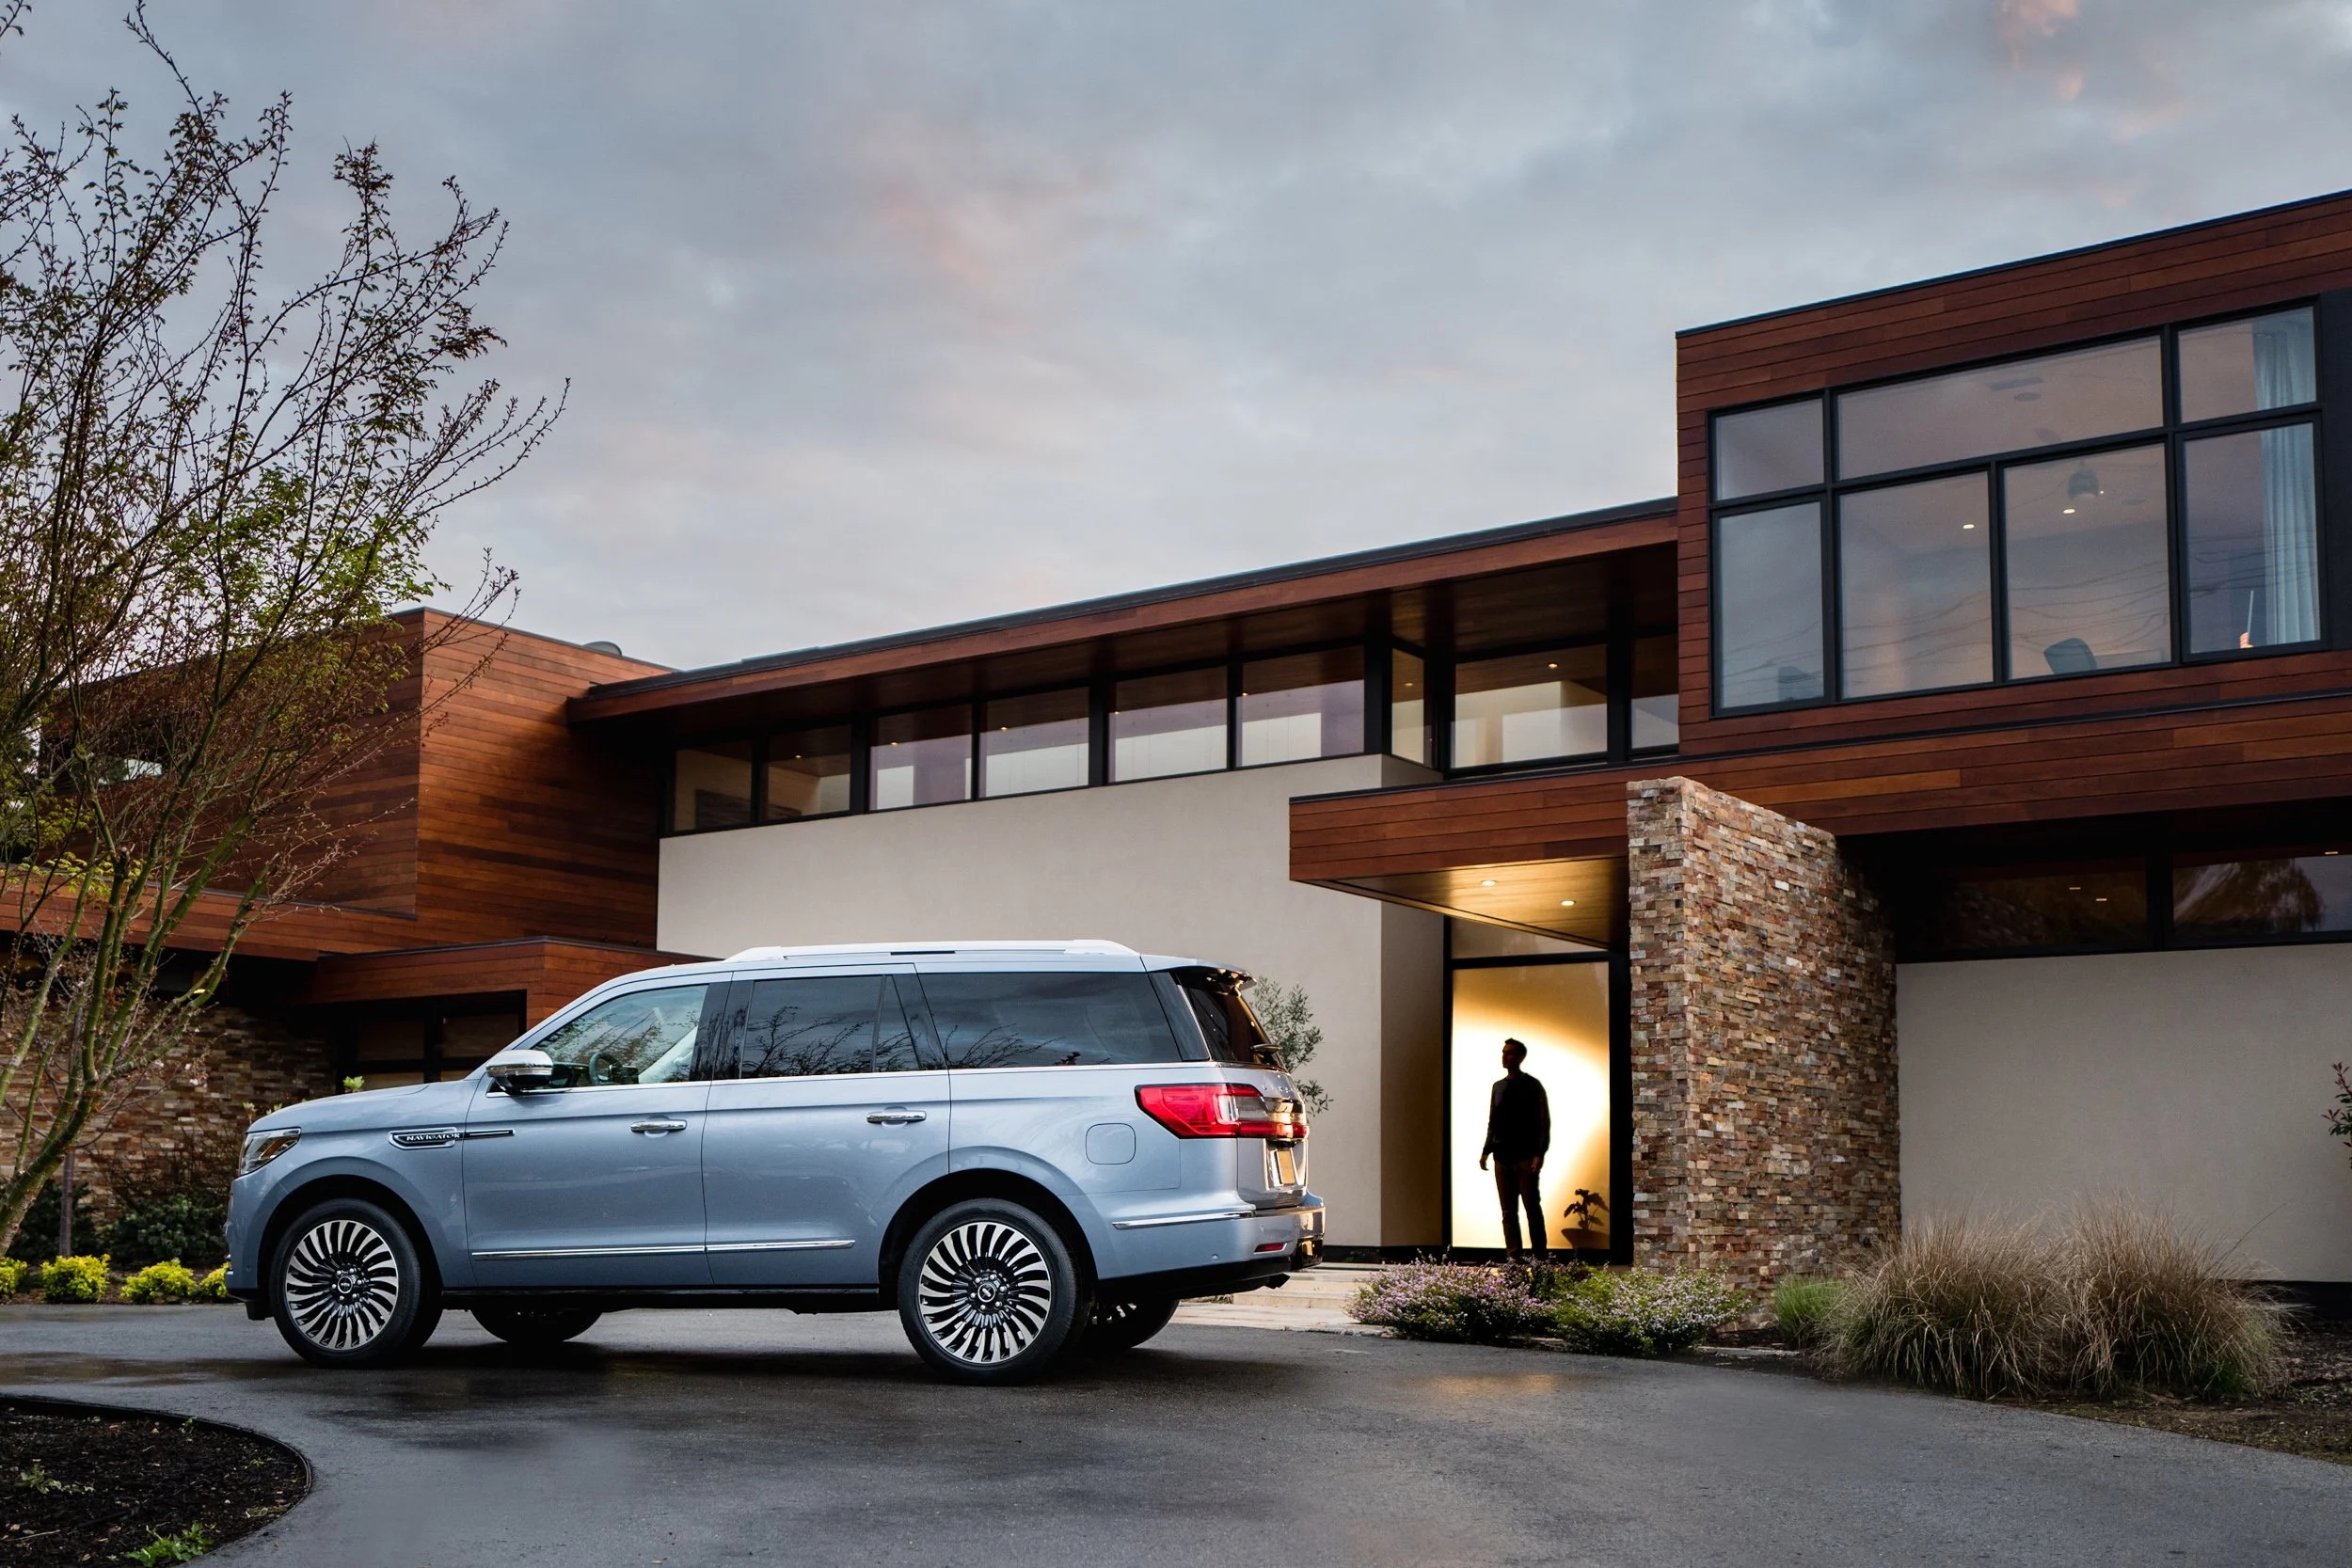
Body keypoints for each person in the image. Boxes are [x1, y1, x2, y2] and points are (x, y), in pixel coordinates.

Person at [1477, 1037, 1550, 1262]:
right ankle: (1514, 1257)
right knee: (1508, 1212)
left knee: (1531, 1207)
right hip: (1502, 1157)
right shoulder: (1498, 1087)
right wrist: (1486, 1150)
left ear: (1519, 1057)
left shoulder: (1532, 1085)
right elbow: (1493, 1120)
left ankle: (1540, 1256)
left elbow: (1542, 1120)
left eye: (1509, 1053)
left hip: (1525, 1157)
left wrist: (1539, 1152)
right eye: (1503, 1052)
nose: (1504, 1056)